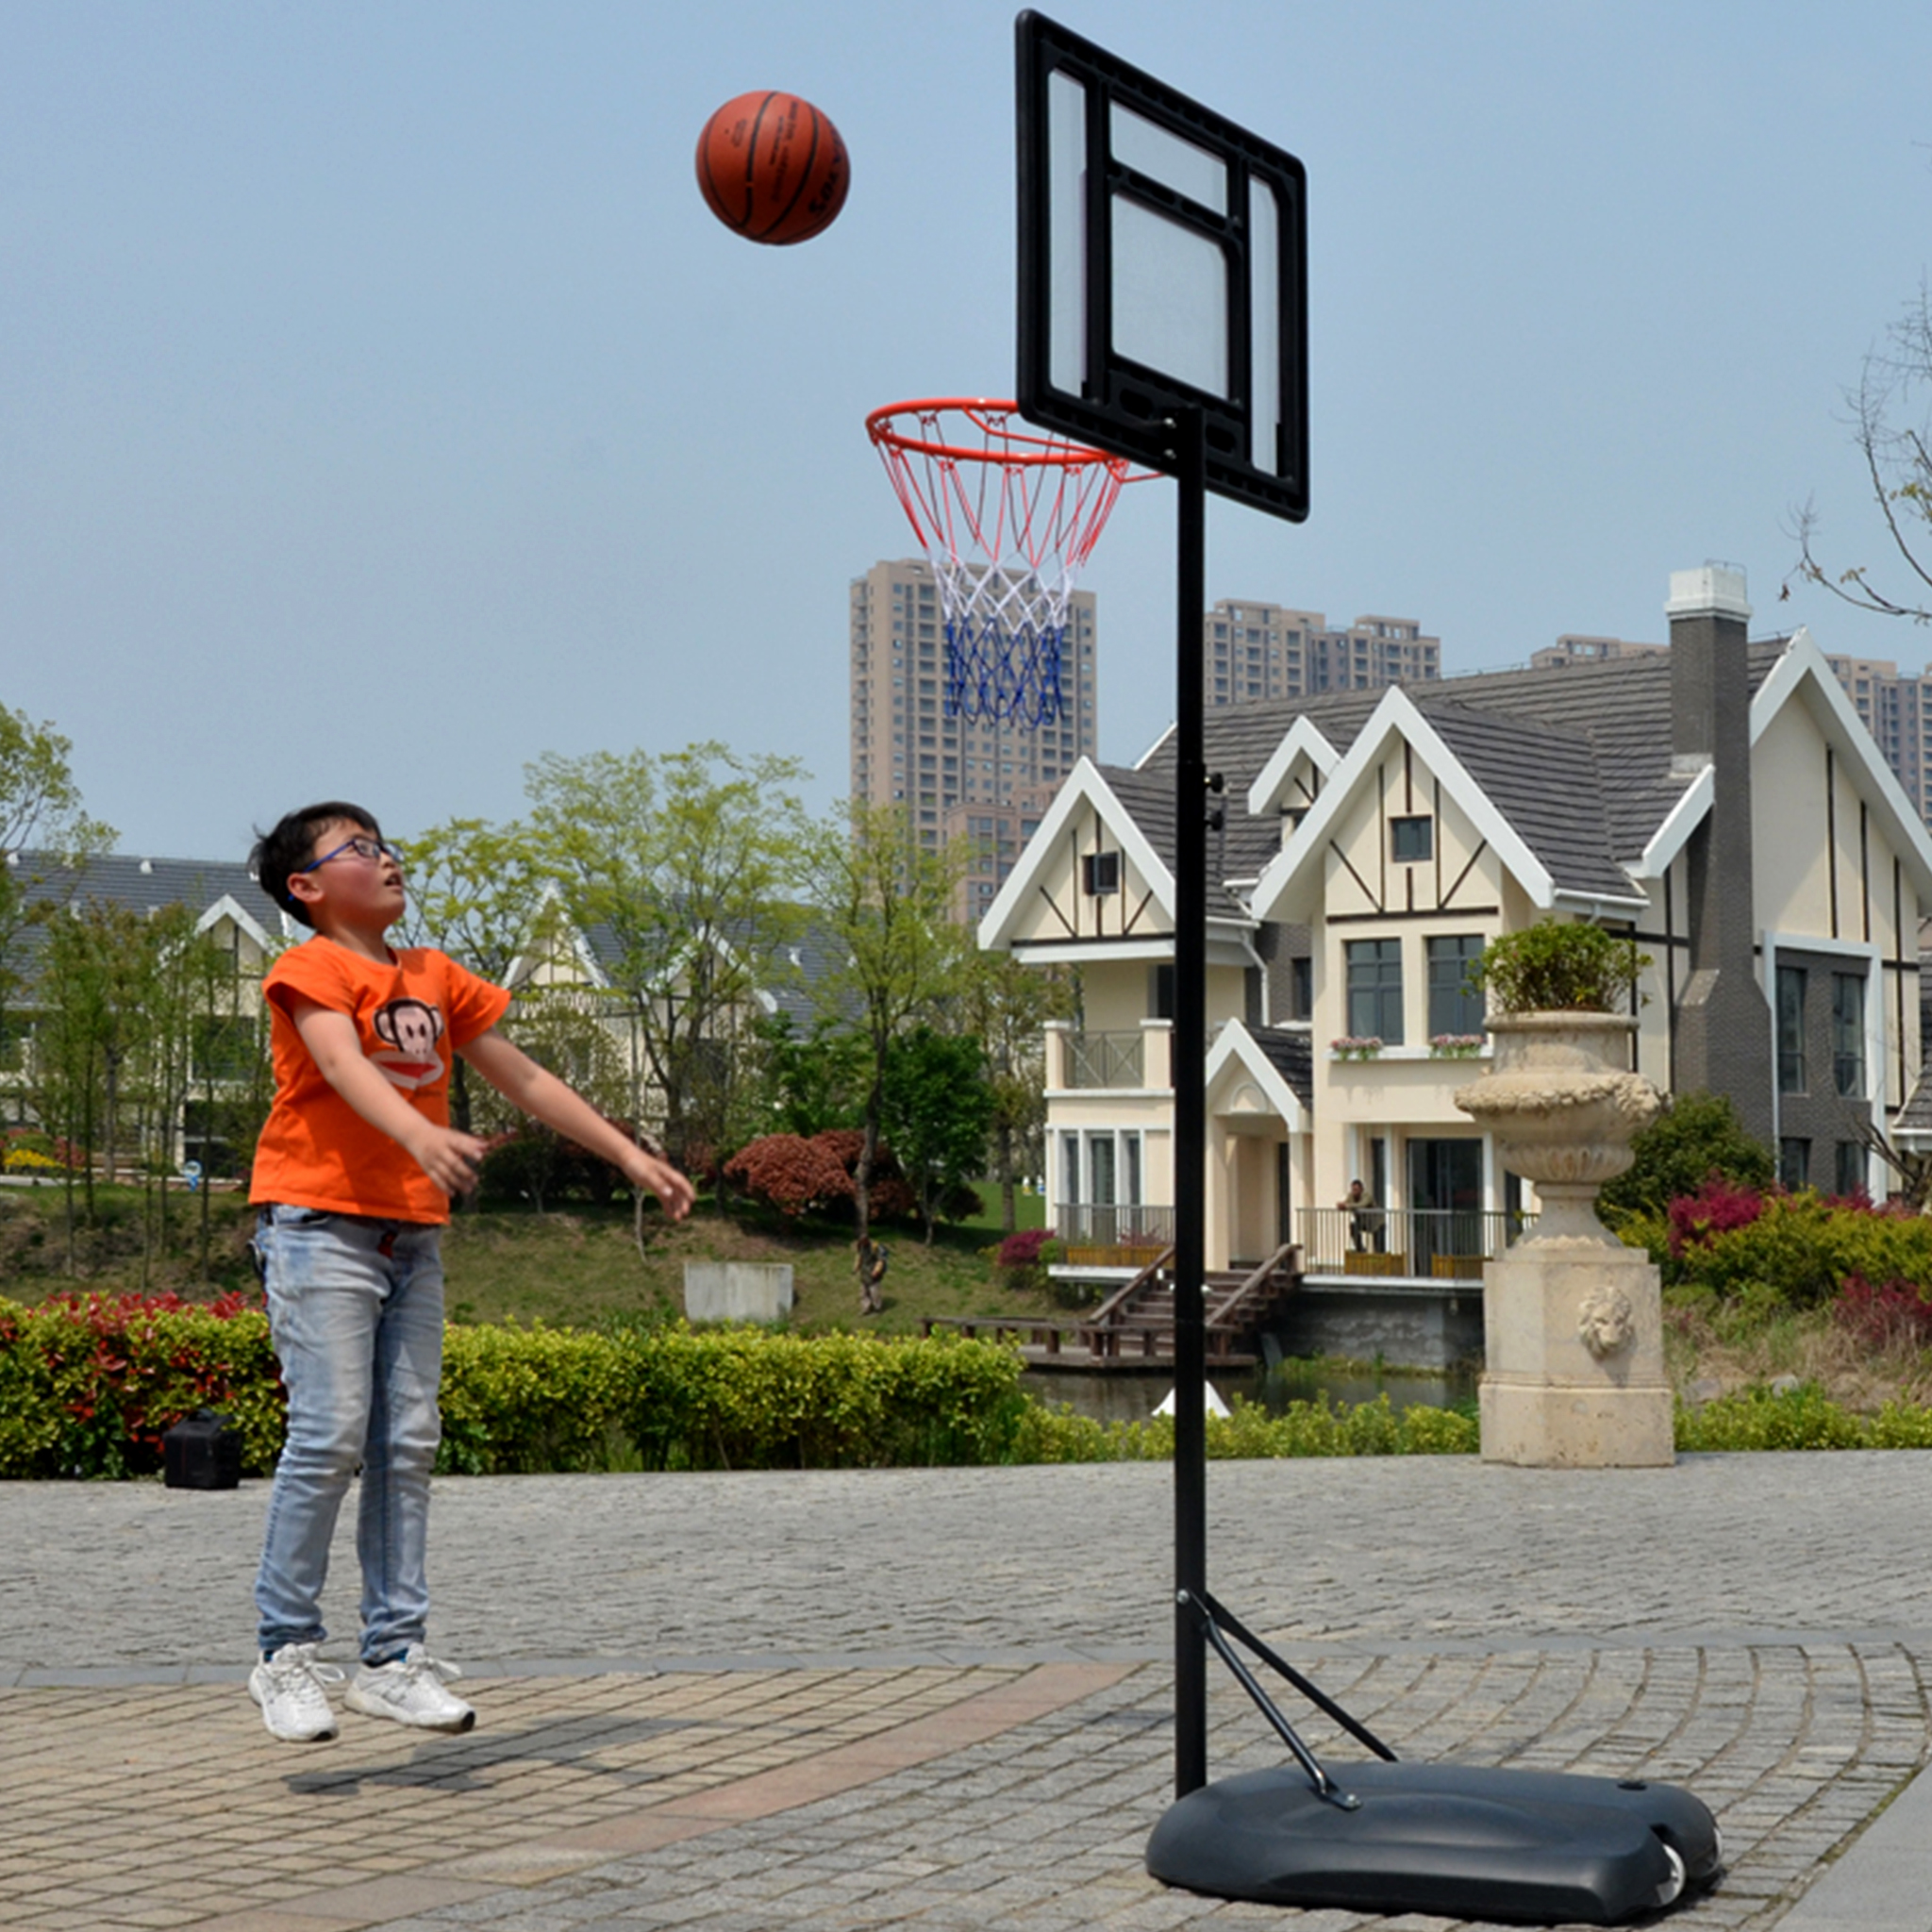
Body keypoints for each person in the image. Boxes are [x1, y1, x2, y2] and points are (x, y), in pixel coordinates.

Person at [244, 802, 694, 1745]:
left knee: (407, 1441)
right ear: (308, 886)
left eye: (385, 841)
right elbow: (340, 1062)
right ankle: (285, 1652)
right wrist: (417, 1129)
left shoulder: (434, 976)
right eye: (358, 848)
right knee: (329, 1436)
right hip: (317, 1223)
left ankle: (392, 1660)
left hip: (410, 1235)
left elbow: (523, 1077)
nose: (387, 856)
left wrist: (626, 1153)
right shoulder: (309, 967)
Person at [1339, 1178, 1384, 1254]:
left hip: (1377, 1223)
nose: (1354, 1192)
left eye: (1356, 1189)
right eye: (1353, 1189)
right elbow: (1346, 1203)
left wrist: (1347, 1206)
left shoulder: (1367, 1196)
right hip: (1364, 1222)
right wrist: (1341, 1206)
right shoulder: (1351, 1196)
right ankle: (1360, 1249)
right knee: (1353, 1227)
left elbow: (1362, 1205)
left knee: (1379, 1247)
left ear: (1361, 1189)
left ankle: (1380, 1257)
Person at [854, 1231, 890, 1315]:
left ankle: (877, 1308)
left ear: (867, 1239)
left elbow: (881, 1260)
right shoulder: (861, 1246)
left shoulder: (874, 1247)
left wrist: (876, 1270)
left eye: (863, 1240)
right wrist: (856, 1268)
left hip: (873, 1274)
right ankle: (866, 1308)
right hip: (864, 1273)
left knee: (874, 1292)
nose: (862, 1242)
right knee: (863, 1292)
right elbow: (860, 1257)